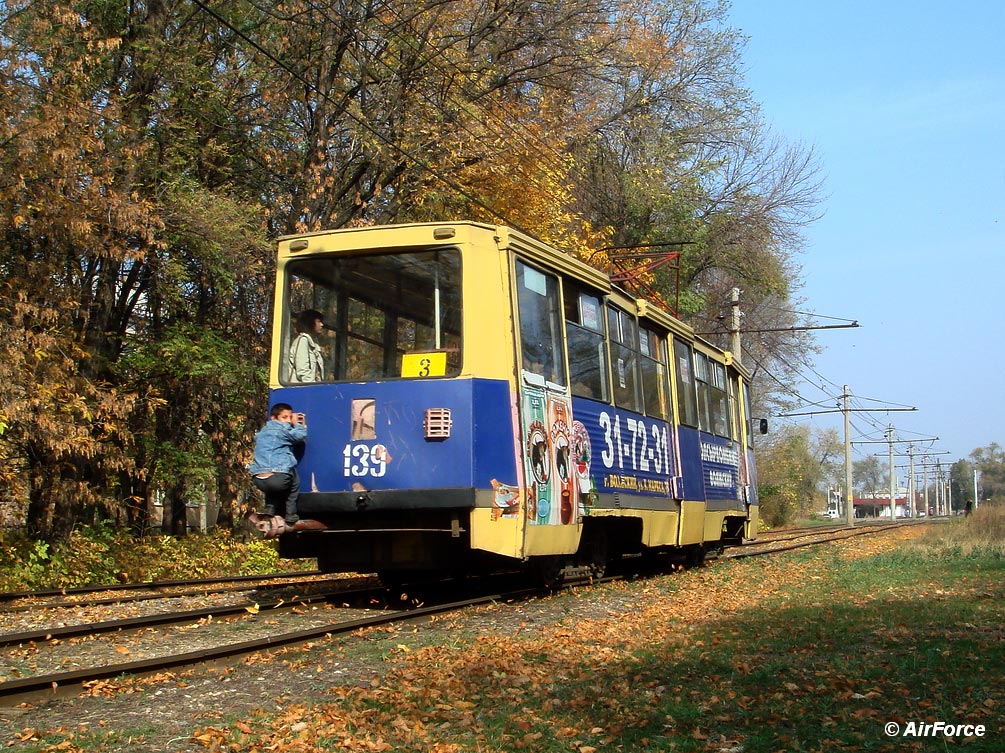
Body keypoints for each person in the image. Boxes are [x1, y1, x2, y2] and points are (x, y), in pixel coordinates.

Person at [247, 403, 307, 533]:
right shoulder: (281, 430)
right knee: (293, 479)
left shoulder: (262, 433)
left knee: (273, 481)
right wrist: (298, 424)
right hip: (277, 479)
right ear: (273, 418)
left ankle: (270, 509)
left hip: (258, 480)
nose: (288, 421)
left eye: (290, 417)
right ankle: (291, 514)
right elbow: (299, 436)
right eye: (284, 417)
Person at [289, 309, 326, 382]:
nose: (322, 325)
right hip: (303, 388)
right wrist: (314, 387)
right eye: (319, 321)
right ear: (310, 323)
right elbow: (303, 372)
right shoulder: (303, 341)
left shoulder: (313, 343)